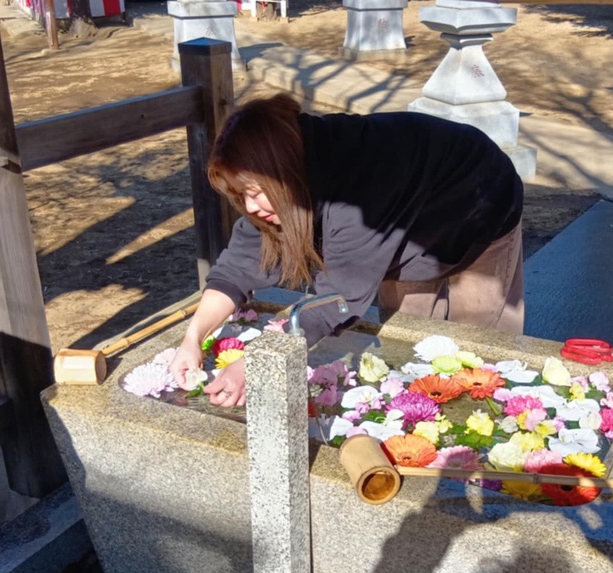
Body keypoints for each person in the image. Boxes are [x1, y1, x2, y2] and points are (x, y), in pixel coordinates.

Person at [169, 93, 525, 407]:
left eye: (256, 191)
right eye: (240, 195)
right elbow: (234, 270)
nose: (250, 206)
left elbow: (334, 301)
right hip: (401, 227)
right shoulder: (278, 185)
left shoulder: (357, 192)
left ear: (283, 173)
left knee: (479, 352)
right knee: (410, 342)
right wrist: (193, 337)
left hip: (479, 201)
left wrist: (256, 362)